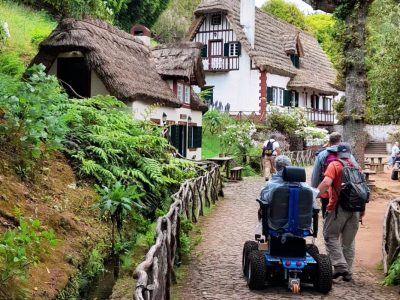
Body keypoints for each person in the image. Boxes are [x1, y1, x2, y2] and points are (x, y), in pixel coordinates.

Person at [317, 143, 364, 282]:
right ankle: (348, 272)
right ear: (349, 153)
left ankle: (339, 265)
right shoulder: (356, 167)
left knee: (330, 236)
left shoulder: (335, 165)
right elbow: (363, 191)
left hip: (338, 208)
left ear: (337, 153)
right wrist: (362, 211)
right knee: (348, 242)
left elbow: (326, 183)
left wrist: (313, 195)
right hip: (355, 210)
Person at [311, 132, 359, 217]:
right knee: (344, 212)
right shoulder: (349, 155)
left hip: (327, 191)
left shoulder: (322, 154)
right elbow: (356, 170)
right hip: (346, 191)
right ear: (341, 141)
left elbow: (316, 174)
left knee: (327, 216)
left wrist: (314, 192)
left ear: (329, 142)